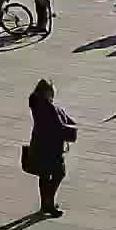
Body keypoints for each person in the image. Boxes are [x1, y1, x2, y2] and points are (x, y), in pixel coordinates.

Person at [26, 79, 76, 216]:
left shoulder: (38, 104)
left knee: (44, 175)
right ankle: (49, 202)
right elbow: (58, 126)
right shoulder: (49, 108)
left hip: (39, 145)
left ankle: (45, 204)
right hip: (51, 148)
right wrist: (72, 128)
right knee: (59, 173)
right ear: (47, 91)